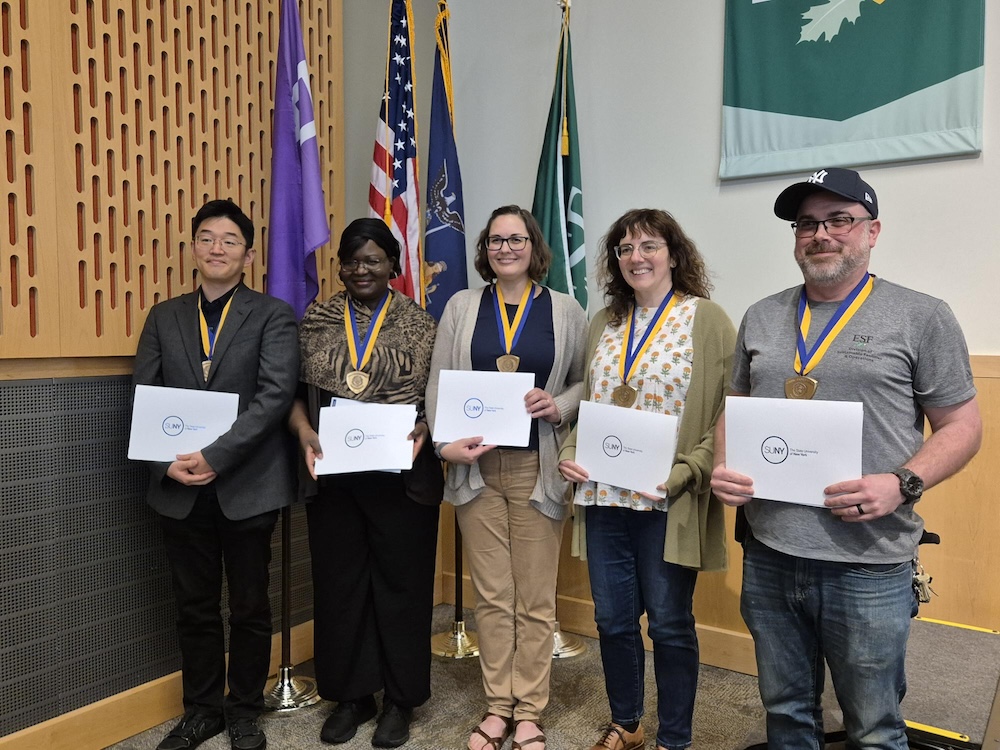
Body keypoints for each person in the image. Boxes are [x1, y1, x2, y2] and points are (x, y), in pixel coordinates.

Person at [710, 168, 982, 749]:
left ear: (871, 231)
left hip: (869, 560)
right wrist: (723, 464)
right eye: (806, 223)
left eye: (839, 220)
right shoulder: (762, 315)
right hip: (770, 550)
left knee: (874, 725)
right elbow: (733, 408)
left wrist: (901, 483)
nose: (821, 235)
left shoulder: (921, 315)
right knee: (785, 711)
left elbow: (963, 427)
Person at [558, 209, 735, 750]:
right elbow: (590, 400)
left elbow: (727, 411)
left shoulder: (706, 319)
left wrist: (689, 471)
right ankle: (628, 723)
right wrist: (569, 448)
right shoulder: (604, 322)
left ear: (674, 255)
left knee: (669, 623)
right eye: (625, 249)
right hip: (605, 493)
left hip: (667, 499)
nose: (637, 257)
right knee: (612, 621)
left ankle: (674, 738)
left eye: (649, 246)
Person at [132, 199, 299, 750]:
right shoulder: (164, 316)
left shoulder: (273, 315)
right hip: (179, 488)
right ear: (194, 249)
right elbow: (146, 398)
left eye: (230, 240)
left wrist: (216, 456)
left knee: (250, 605)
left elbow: (274, 397)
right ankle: (202, 710)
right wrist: (166, 462)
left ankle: (245, 709)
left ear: (248, 256)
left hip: (249, 485)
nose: (218, 248)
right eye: (207, 238)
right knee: (195, 606)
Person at [425, 205, 588, 750]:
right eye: (496, 241)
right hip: (476, 468)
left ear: (534, 247)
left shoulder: (565, 310)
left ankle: (530, 712)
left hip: (537, 468)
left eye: (516, 239)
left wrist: (558, 402)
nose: (506, 248)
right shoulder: (462, 305)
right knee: (492, 596)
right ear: (485, 250)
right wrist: (446, 444)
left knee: (536, 598)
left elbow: (587, 383)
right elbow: (440, 381)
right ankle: (498, 707)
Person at [287, 218, 442, 748]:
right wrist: (305, 431)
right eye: (351, 260)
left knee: (402, 587)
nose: (360, 269)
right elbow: (293, 394)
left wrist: (427, 425)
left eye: (373, 259)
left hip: (402, 477)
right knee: (340, 586)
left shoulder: (422, 325)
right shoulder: (316, 319)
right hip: (333, 476)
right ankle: (351, 695)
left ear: (394, 266)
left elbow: (436, 401)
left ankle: (400, 699)